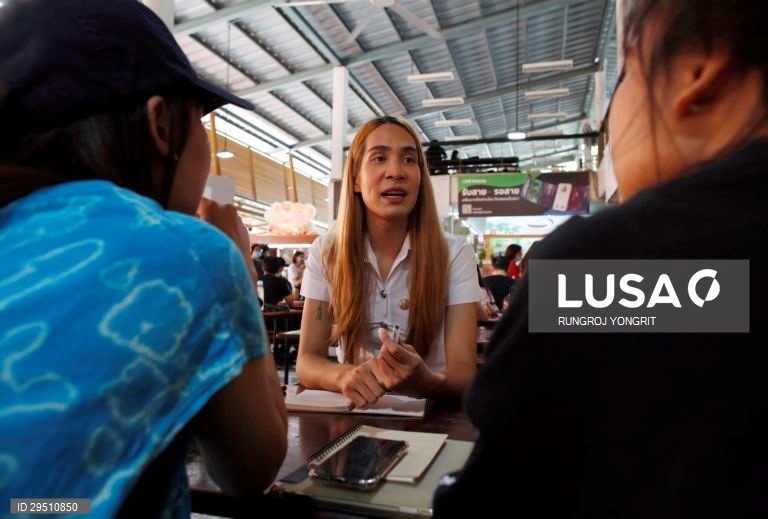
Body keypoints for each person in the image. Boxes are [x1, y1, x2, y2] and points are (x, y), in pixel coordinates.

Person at [434, 1, 768, 517]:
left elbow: (493, 497)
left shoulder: (596, 272)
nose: (614, 120)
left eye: (629, 73)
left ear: (697, 74)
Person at [0, 1, 287, 517]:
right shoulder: (189, 253)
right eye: (200, 122)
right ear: (161, 125)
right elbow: (252, 470)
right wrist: (237, 263)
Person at [297, 116, 478, 408]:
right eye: (379, 158)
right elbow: (306, 360)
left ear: (421, 176)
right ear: (355, 178)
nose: (396, 171)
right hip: (354, 416)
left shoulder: (455, 253)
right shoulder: (327, 252)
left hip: (432, 417)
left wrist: (427, 381)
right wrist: (344, 376)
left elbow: (464, 371)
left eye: (409, 159)